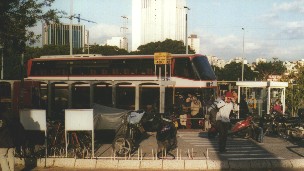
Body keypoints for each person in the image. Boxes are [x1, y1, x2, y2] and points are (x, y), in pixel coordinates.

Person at [0, 104, 15, 171]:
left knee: (1, 155)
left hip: (3, 140)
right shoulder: (11, 117)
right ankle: (12, 170)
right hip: (11, 140)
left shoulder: (1, 118)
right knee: (11, 155)